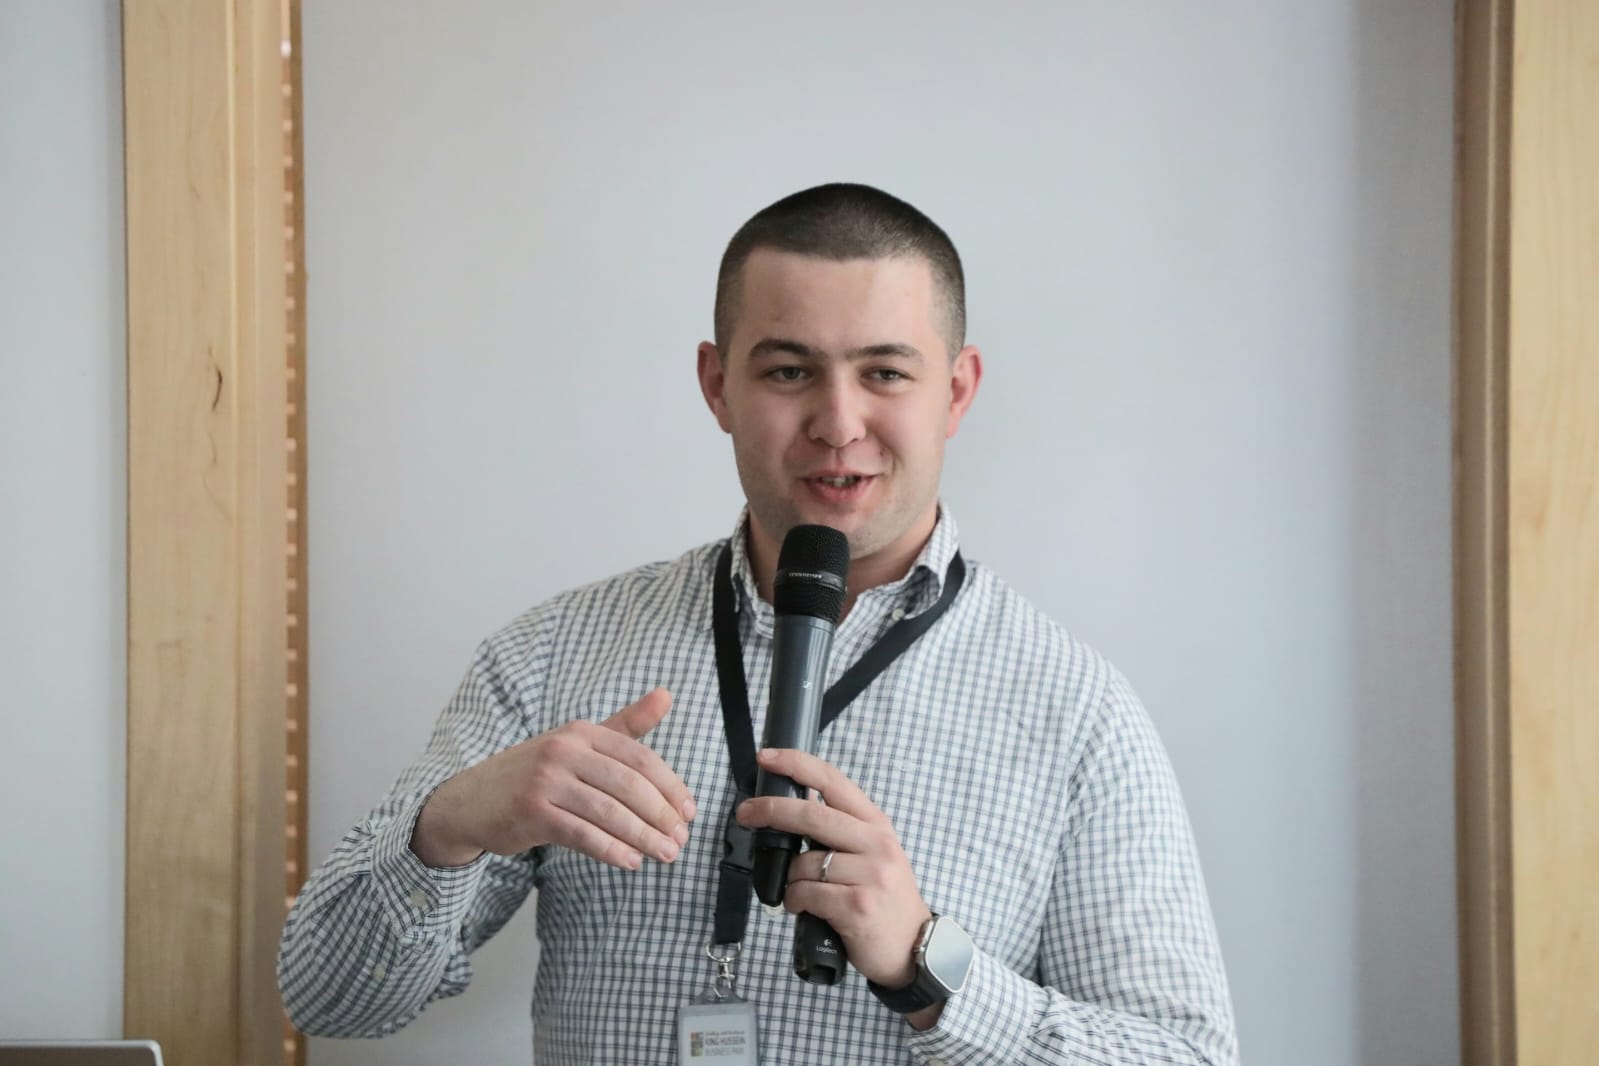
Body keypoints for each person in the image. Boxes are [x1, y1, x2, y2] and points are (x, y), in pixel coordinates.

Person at [278, 182, 1239, 1064]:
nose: (837, 422)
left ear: (955, 391)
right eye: (788, 371)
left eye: (885, 373)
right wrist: (447, 825)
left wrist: (927, 966)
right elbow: (324, 997)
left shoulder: (1076, 713)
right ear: (717, 386)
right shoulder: (552, 658)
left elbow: (1185, 1056)